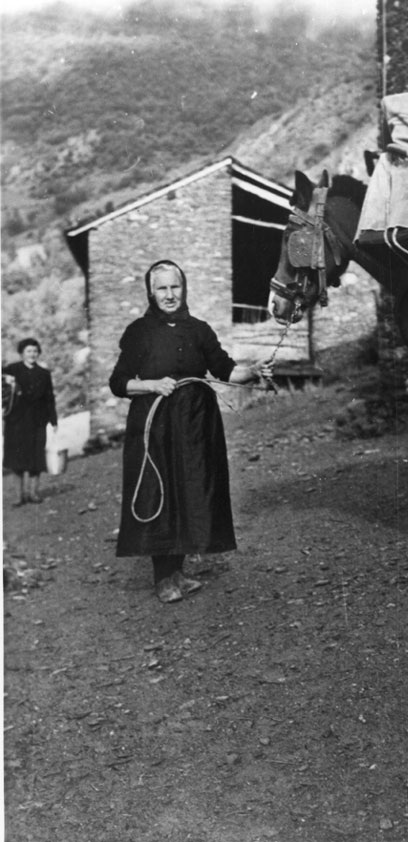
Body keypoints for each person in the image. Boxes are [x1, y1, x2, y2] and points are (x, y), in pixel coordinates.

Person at [109, 259, 272, 604]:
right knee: (160, 492)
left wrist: (255, 370)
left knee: (192, 491)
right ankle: (162, 578)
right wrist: (152, 384)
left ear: (184, 289)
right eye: (162, 288)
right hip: (154, 425)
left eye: (175, 287)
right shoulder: (139, 331)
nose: (170, 295)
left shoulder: (200, 330)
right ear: (151, 293)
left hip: (197, 424)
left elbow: (226, 370)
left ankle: (178, 571)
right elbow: (118, 382)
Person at [3, 337, 58, 505]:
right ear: (22, 353)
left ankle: (33, 493)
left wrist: (53, 420)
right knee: (16, 458)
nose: (32, 354)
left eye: (35, 351)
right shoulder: (11, 370)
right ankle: (19, 496)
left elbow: (50, 398)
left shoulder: (44, 374)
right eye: (28, 351)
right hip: (16, 421)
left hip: (37, 421)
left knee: (36, 456)